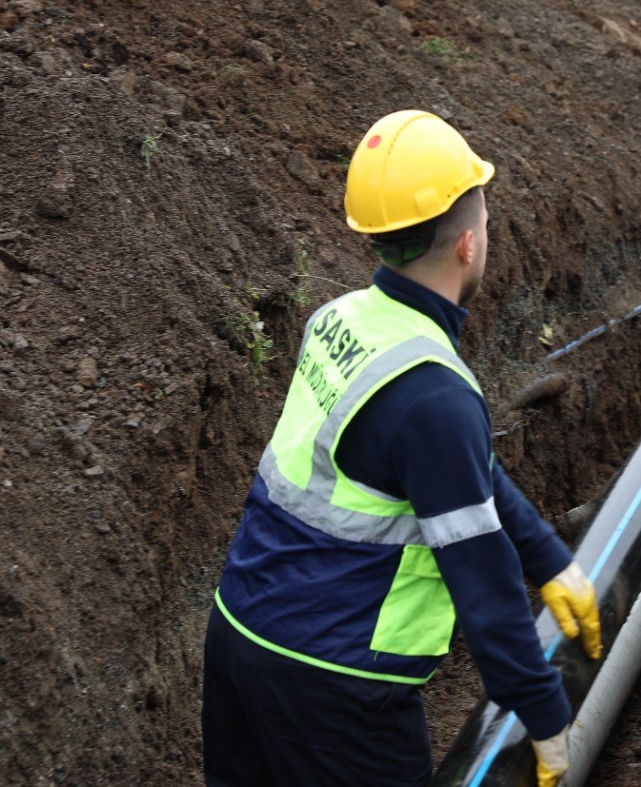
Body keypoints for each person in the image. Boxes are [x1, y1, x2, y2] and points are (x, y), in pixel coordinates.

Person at [203, 110, 601, 787]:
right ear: (468, 245)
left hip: (241, 634)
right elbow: (483, 586)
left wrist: (549, 558)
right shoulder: (435, 396)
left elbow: (454, 474)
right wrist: (546, 716)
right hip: (337, 684)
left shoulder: (339, 320)